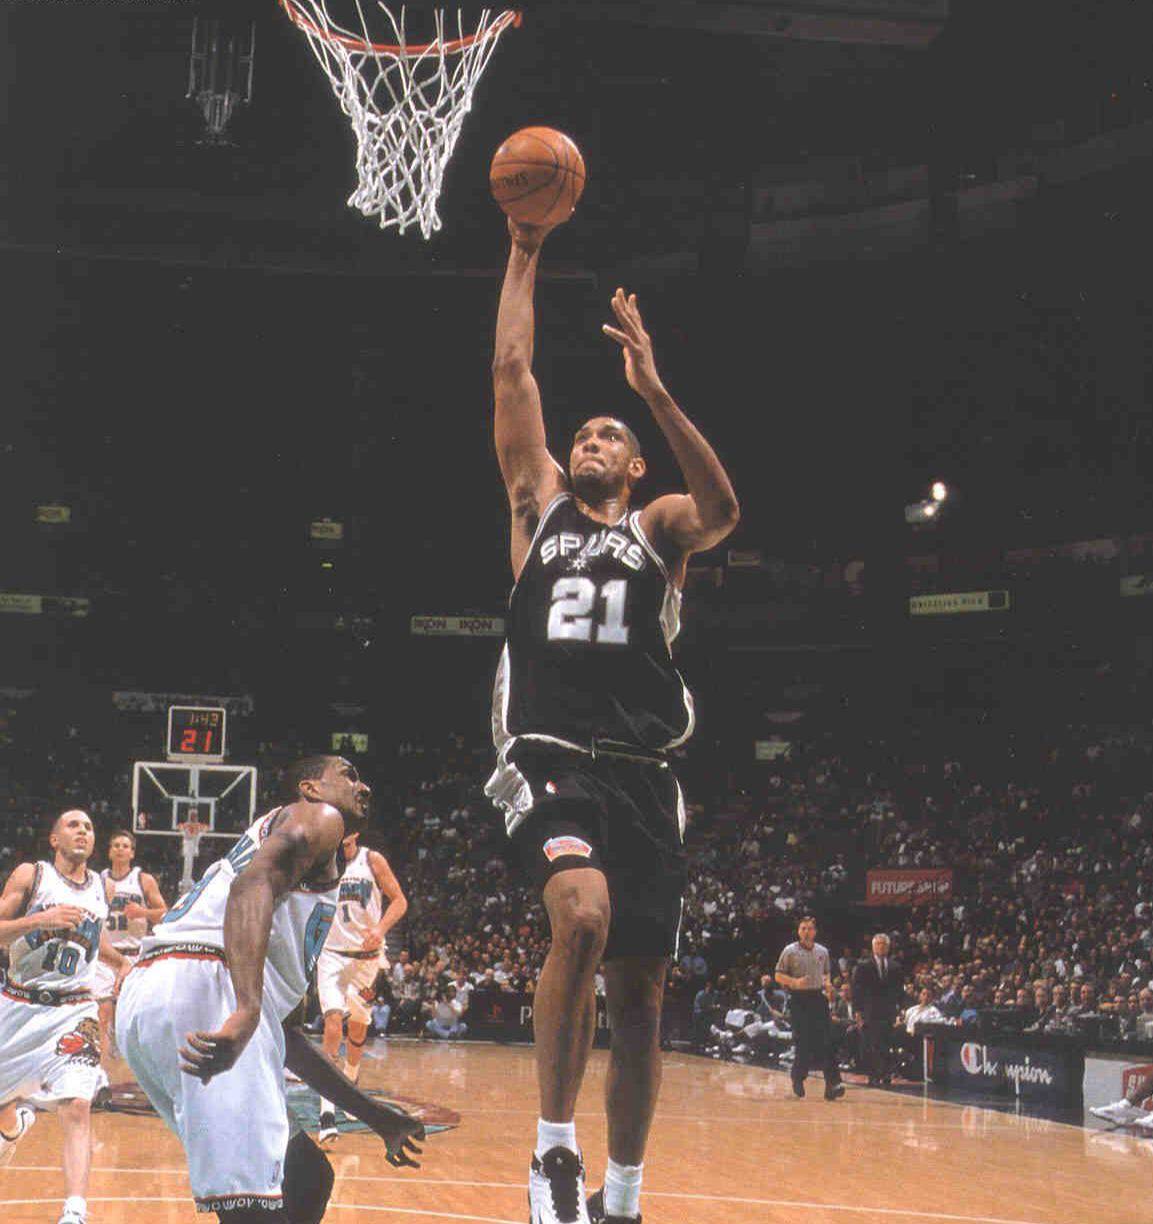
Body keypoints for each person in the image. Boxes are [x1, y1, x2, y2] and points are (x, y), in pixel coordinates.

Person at [485, 215, 740, 1224]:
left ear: (634, 467)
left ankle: (622, 1197)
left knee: (640, 1001)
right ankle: (552, 1152)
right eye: (581, 434)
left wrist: (655, 394)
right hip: (550, 753)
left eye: (608, 437)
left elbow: (721, 512)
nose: (587, 441)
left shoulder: (656, 527)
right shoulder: (536, 504)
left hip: (645, 773)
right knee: (582, 915)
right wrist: (525, 247)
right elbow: (511, 370)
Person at [116, 756, 424, 1221]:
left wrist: (375, 1115)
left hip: (161, 991)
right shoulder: (320, 817)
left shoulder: (293, 874)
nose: (364, 787)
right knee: (252, 1210)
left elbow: (285, 1040)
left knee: (306, 1177)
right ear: (311, 788)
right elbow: (251, 885)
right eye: (349, 775)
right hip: (206, 983)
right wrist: (245, 1009)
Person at [0, 809, 130, 1224]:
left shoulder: (102, 887)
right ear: (54, 839)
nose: (83, 831)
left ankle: (75, 1210)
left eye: (89, 827)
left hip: (75, 1009)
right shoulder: (32, 876)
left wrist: (121, 961)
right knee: (3, 1107)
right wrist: (40, 920)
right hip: (19, 1005)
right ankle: (12, 1127)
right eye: (73, 825)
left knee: (76, 1104)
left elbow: (94, 938)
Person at [314, 829, 407, 1144]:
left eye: (346, 842)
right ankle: (327, 1112)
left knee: (358, 1029)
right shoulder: (321, 862)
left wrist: (380, 929)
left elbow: (400, 901)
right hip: (331, 955)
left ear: (354, 835)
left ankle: (351, 1081)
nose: (341, 848)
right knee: (332, 1021)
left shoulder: (372, 860)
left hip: (366, 960)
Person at [95, 828, 167, 1078]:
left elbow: (165, 913)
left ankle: (137, 1064)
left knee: (135, 1011)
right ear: (109, 851)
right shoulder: (98, 880)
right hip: (106, 954)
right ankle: (102, 1070)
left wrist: (143, 913)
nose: (120, 849)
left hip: (135, 954)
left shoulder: (143, 880)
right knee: (103, 1009)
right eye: (116, 845)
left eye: (125, 846)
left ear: (132, 853)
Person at [774, 916, 844, 1101]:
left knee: (827, 1041)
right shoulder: (789, 951)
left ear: (815, 931)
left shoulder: (823, 951)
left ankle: (833, 1084)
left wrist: (828, 985)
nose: (806, 932)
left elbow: (826, 973)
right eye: (803, 928)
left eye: (810, 928)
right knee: (803, 1042)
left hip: (818, 997)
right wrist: (795, 982)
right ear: (798, 931)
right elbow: (778, 975)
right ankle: (798, 1077)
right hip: (798, 999)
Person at [851, 934, 903, 1085]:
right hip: (869, 1011)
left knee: (886, 1043)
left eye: (884, 944)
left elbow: (899, 991)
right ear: (873, 947)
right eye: (878, 944)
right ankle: (873, 1075)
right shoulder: (863, 965)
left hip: (888, 1011)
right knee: (871, 1043)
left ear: (888, 947)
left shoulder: (895, 966)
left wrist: (901, 1010)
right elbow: (857, 990)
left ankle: (886, 1074)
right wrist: (857, 1012)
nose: (881, 946)